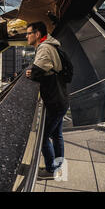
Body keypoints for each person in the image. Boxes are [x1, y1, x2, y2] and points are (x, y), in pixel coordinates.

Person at [25, 21, 69, 180]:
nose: (26, 36)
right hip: (61, 98)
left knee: (43, 137)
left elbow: (36, 72)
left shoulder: (44, 48)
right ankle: (58, 166)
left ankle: (51, 170)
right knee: (57, 135)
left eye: (29, 33)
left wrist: (32, 73)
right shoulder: (49, 45)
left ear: (37, 34)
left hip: (55, 101)